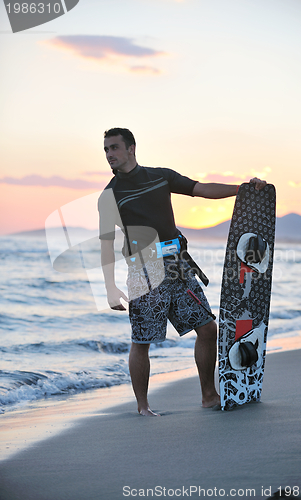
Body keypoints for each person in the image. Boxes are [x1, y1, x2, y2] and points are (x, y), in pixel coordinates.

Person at [98, 127, 266, 416]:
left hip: (177, 267)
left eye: (114, 148)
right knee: (142, 340)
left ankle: (208, 395)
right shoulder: (109, 196)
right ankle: (142, 406)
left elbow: (200, 189)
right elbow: (106, 244)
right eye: (106, 150)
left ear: (131, 148)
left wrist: (241, 189)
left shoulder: (160, 176)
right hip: (144, 273)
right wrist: (110, 287)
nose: (109, 155)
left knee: (208, 328)